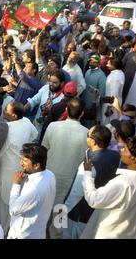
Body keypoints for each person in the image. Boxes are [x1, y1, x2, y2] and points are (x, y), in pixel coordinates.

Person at [42, 98, 89, 238]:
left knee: (43, 210)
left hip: (49, 176)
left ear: (66, 110)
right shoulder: (87, 134)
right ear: (82, 114)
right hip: (69, 181)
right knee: (60, 212)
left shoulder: (53, 126)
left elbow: (43, 150)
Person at [63, 125, 121, 239]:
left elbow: (76, 193)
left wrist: (63, 212)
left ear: (93, 141)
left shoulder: (88, 164)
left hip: (79, 215)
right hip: (98, 213)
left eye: (87, 135)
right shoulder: (115, 156)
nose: (86, 138)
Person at [80, 136, 136, 239]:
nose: (122, 150)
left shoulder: (123, 183)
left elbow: (94, 199)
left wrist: (88, 173)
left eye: (126, 149)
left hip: (110, 233)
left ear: (134, 158)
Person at [0, 101, 38, 233]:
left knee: (3, 202)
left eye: (6, 111)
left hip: (7, 169)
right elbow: (34, 134)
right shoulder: (26, 121)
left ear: (13, 116)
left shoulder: (8, 129)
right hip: (21, 166)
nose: (4, 112)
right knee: (15, 198)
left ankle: (1, 230)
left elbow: (0, 151)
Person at [7, 143, 56, 239]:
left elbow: (13, 209)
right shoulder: (50, 175)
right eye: (21, 159)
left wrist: (16, 184)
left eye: (25, 161)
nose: (21, 163)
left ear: (37, 165)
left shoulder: (35, 189)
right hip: (37, 231)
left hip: (23, 234)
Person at [25, 69, 66, 133]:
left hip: (50, 131)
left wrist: (50, 112)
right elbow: (33, 101)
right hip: (36, 128)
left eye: (55, 82)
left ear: (62, 83)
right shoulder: (46, 88)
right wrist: (22, 109)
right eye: (50, 81)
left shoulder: (63, 97)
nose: (51, 84)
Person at [102, 57, 125, 125]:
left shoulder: (116, 76)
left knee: (109, 124)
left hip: (112, 106)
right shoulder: (119, 73)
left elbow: (114, 95)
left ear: (114, 65)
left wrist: (109, 108)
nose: (107, 65)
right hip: (112, 104)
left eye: (109, 64)